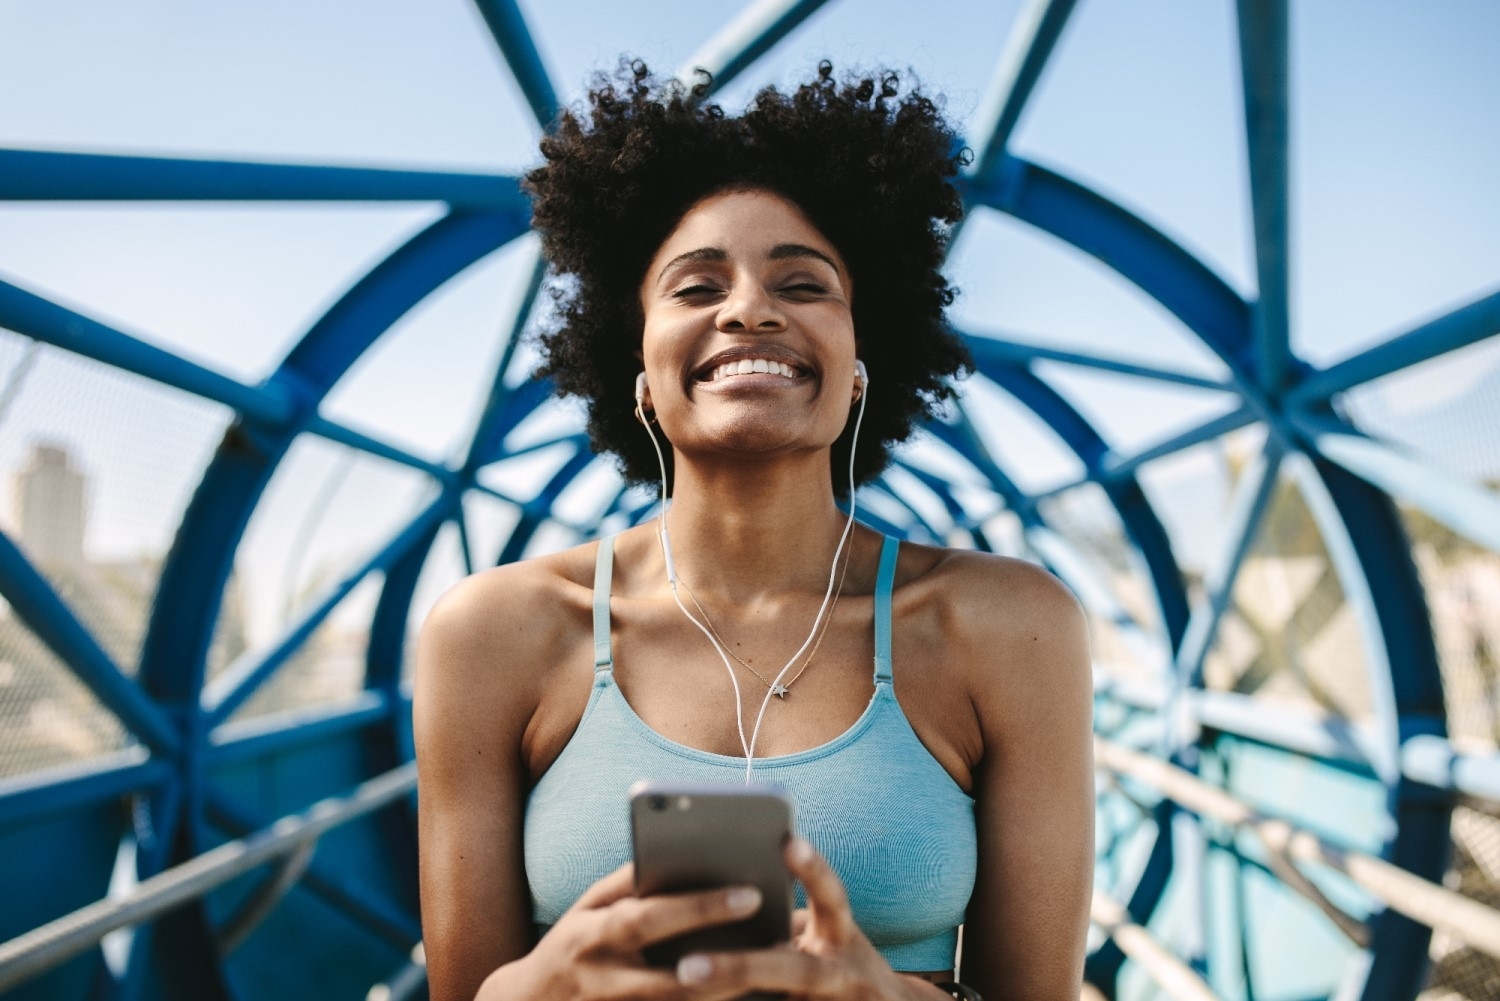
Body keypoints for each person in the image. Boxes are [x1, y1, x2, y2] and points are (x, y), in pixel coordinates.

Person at [414, 61, 1093, 1001]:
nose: (749, 308)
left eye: (804, 284)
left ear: (860, 365)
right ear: (640, 371)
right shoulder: (494, 632)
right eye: (696, 288)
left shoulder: (1009, 624)